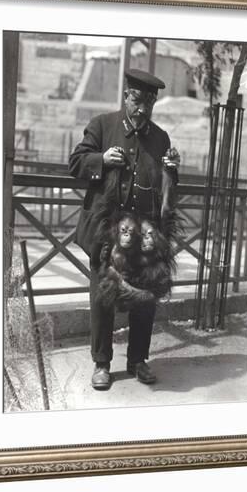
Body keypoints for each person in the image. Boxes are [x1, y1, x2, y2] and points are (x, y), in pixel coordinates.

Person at [68, 68, 180, 390]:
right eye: (137, 100)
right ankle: (102, 364)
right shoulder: (102, 125)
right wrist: (101, 159)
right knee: (103, 298)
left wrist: (172, 171)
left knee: (145, 299)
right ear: (126, 96)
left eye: (149, 103)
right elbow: (75, 162)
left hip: (143, 236)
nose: (142, 109)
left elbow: (166, 188)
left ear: (154, 104)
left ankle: (137, 361)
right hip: (107, 234)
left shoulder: (160, 138)